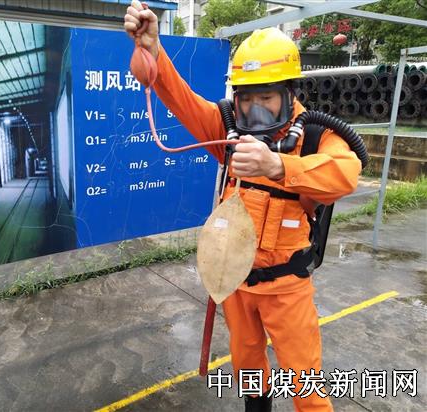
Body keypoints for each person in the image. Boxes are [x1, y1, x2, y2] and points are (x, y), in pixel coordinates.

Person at [124, 2, 361, 411]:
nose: (255, 109)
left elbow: (346, 173)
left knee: (304, 380)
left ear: (290, 92)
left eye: (266, 97)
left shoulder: (315, 136)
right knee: (248, 365)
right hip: (235, 280)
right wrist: (154, 51)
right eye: (246, 98)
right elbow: (182, 101)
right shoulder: (229, 129)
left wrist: (278, 166)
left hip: (286, 285)